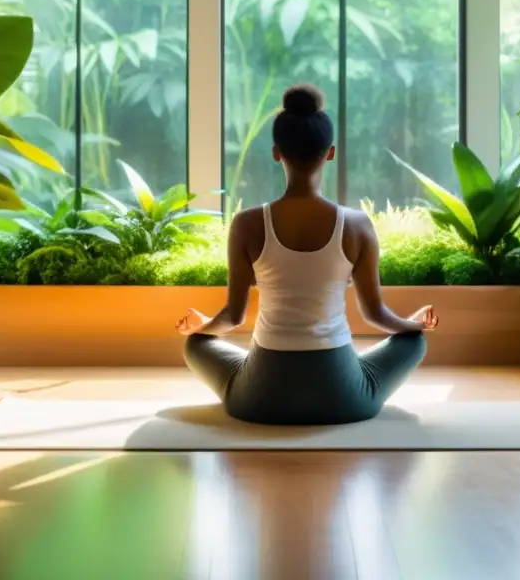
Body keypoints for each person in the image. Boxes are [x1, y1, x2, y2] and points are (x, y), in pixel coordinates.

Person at [177, 84, 437, 425]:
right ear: (330, 153)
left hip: (261, 399)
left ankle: (217, 352)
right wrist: (412, 325)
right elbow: (376, 315)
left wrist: (202, 326)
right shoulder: (357, 225)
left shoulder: (247, 224)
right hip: (342, 398)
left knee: (196, 344)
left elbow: (234, 318)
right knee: (414, 343)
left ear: (276, 152)